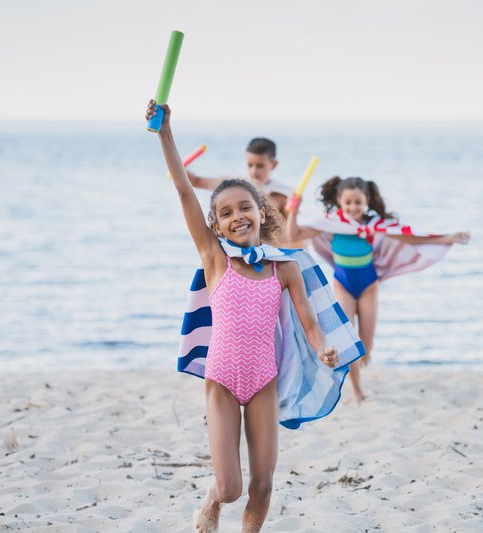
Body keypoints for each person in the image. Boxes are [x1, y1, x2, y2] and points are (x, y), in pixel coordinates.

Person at [146, 100, 365, 533]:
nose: (236, 216)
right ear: (216, 225)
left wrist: (324, 349)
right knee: (231, 488)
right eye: (225, 213)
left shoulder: (284, 267)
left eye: (244, 207)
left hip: (264, 381)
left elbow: (308, 322)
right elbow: (184, 190)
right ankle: (211, 501)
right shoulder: (215, 260)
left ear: (261, 212)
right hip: (222, 382)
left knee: (262, 484)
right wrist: (165, 133)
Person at [285, 176, 471, 405]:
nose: (353, 207)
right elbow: (293, 235)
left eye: (358, 202)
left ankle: (364, 361)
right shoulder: (331, 223)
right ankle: (357, 391)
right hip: (343, 284)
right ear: (339, 202)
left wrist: (448, 238)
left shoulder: (375, 226)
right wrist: (292, 210)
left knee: (365, 346)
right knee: (348, 341)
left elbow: (411, 237)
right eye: (348, 202)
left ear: (367, 201)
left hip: (369, 287)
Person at [187, 137, 291, 215]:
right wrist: (176, 167)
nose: (254, 171)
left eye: (260, 166)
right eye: (250, 165)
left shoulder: (282, 192)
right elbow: (196, 181)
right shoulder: (238, 183)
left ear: (273, 164)